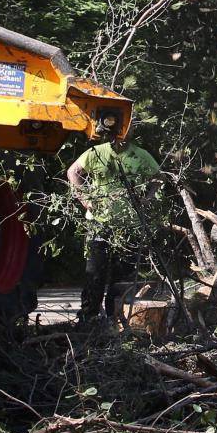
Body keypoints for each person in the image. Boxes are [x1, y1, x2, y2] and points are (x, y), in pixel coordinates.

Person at [66, 121, 160, 321]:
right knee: (94, 273)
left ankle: (115, 319)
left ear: (132, 131)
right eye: (121, 129)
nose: (124, 133)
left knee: (123, 276)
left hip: (129, 225)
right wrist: (85, 199)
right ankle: (88, 318)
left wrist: (147, 198)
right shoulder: (97, 152)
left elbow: (158, 177)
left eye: (129, 128)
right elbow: (73, 172)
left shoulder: (140, 155)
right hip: (99, 223)